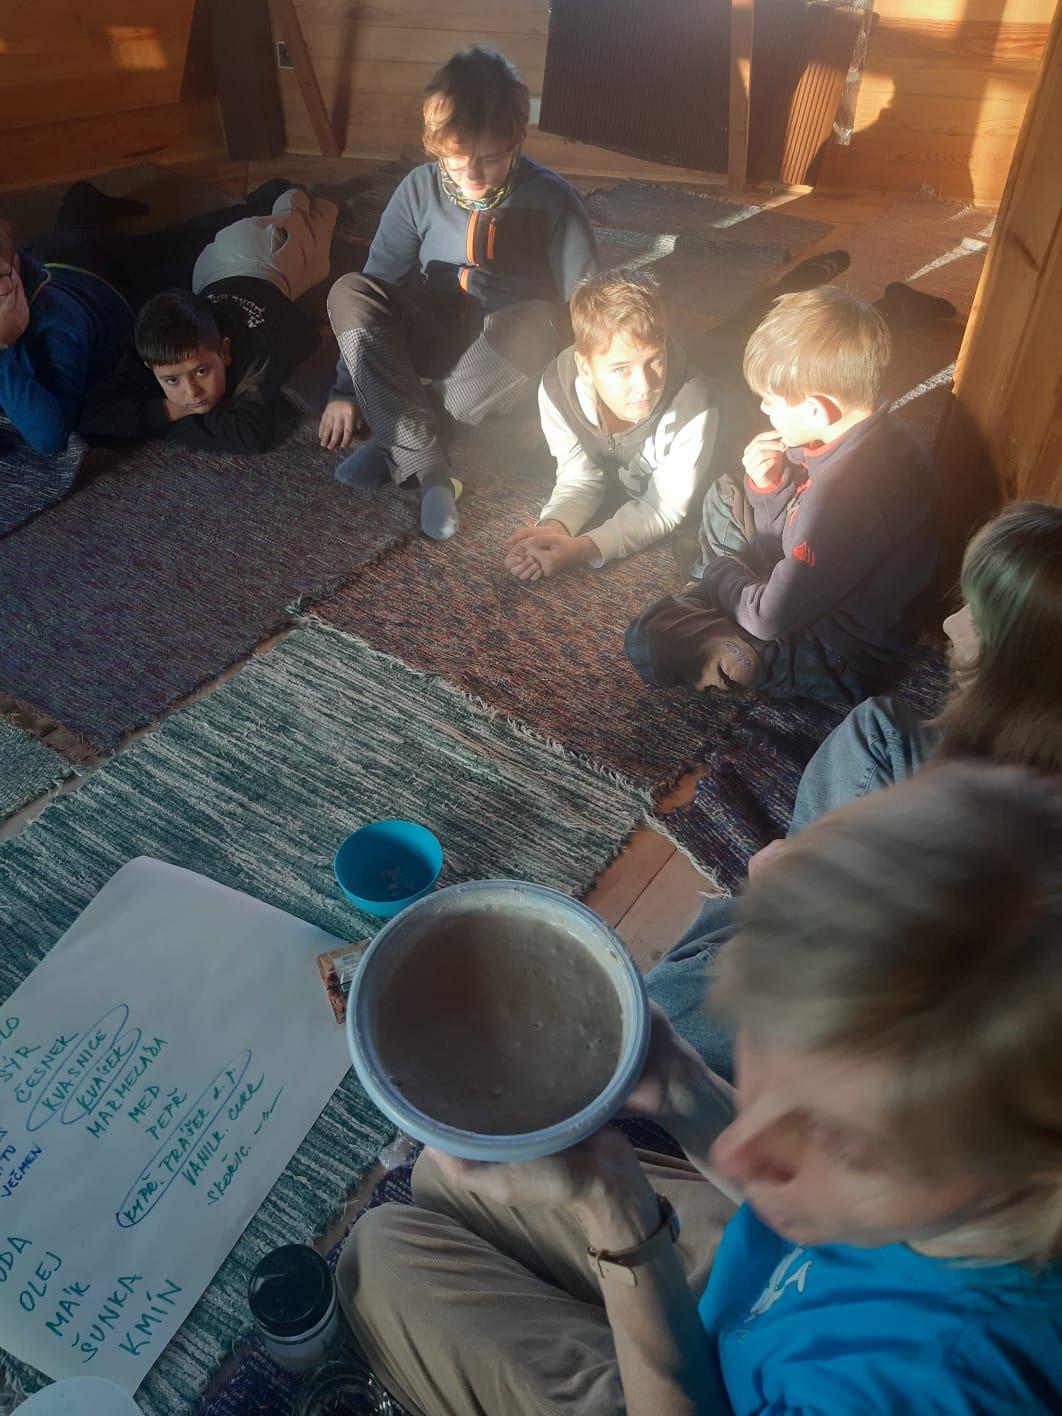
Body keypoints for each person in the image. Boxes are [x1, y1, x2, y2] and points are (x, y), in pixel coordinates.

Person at [336, 764, 1062, 1414]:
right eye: (765, 1048)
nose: (740, 1150)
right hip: (777, 1289)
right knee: (441, 1177)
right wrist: (680, 1085)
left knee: (377, 1257)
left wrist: (618, 1214)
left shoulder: (943, 1384)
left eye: (842, 1144)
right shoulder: (962, 1188)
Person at [645, 499, 1062, 1072]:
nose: (949, 623)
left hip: (917, 1027)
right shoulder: (1021, 760)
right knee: (878, 728)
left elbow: (927, 986)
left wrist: (814, 901)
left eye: (978, 618)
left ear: (1024, 669)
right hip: (912, 916)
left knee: (657, 1012)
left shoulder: (1009, 857)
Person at [322, 46, 598, 541]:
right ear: (436, 147)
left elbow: (587, 307)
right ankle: (430, 466)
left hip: (509, 356)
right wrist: (346, 389)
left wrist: (572, 403)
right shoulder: (417, 189)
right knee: (349, 291)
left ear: (515, 143)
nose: (472, 175)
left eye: (489, 160)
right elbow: (379, 281)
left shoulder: (554, 199)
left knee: (537, 323)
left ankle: (402, 439)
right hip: (436, 335)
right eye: (455, 160)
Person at [625, 286, 939, 703]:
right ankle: (718, 595)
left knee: (648, 639)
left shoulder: (846, 496)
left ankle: (712, 598)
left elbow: (769, 616)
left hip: (839, 651)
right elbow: (787, 533)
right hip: (808, 579)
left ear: (816, 409)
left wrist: (719, 571)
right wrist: (770, 488)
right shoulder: (857, 426)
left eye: (770, 402)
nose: (764, 411)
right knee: (725, 493)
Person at [503, 270, 745, 579]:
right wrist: (553, 527)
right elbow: (581, 477)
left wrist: (582, 549)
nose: (645, 385)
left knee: (745, 337)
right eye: (621, 369)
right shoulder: (556, 388)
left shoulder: (694, 404)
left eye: (656, 359)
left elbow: (661, 508)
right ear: (585, 367)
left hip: (742, 407)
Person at [80, 187, 335, 454]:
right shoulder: (154, 348)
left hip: (266, 258)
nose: (192, 393)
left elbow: (251, 435)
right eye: (172, 381)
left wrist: (155, 422)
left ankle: (292, 195)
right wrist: (167, 410)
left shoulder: (256, 351)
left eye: (201, 371)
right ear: (149, 367)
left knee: (316, 215)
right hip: (210, 269)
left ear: (225, 351)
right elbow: (91, 418)